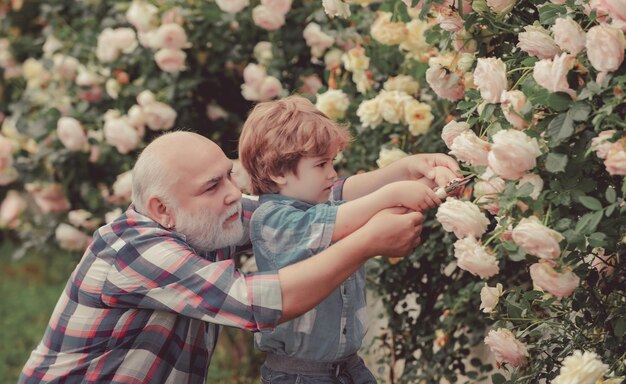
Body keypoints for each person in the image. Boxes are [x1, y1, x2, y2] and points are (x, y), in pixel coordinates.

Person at [18, 131, 428, 384]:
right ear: (162, 209)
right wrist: (366, 244)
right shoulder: (136, 251)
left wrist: (401, 173)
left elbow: (301, 213)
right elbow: (258, 303)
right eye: (212, 186)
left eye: (229, 175)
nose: (233, 192)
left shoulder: (206, 218)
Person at [238, 96, 460, 383]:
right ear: (276, 172)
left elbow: (355, 205)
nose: (332, 173)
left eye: (332, 162)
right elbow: (336, 221)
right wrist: (395, 194)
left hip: (347, 368)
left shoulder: (322, 205)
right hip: (298, 376)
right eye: (321, 165)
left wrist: (425, 178)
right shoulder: (272, 219)